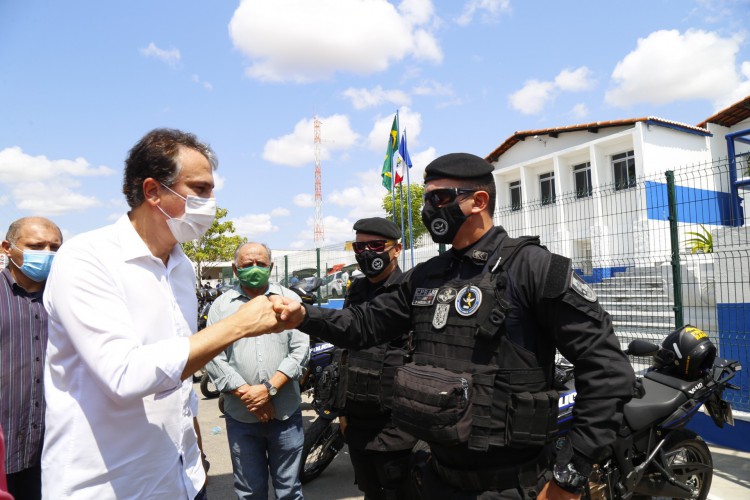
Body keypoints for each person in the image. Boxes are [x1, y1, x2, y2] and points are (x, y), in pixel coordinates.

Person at [272, 153, 637, 499]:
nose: (430, 210)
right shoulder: (428, 275)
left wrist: (571, 475)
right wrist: (303, 316)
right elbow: (364, 325)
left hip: (513, 484)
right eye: (428, 200)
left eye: (441, 198)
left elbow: (607, 373)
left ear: (479, 201)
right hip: (436, 476)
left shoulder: (535, 269)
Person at [42, 128, 283, 499]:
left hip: (181, 477)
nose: (211, 201)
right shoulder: (86, 258)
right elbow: (123, 375)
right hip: (109, 485)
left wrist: (194, 447)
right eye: (200, 189)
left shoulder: (182, 267)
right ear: (153, 191)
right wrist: (237, 325)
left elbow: (179, 378)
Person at [204, 242, 309, 500]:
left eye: (260, 264)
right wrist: (248, 395)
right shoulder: (221, 306)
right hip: (241, 416)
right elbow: (213, 354)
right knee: (249, 492)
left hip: (285, 414)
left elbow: (301, 349)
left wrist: (268, 389)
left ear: (271, 267)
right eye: (247, 264)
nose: (254, 269)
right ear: (235, 268)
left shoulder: (289, 300)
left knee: (289, 491)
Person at [338, 217, 417, 499]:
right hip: (359, 419)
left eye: (375, 245)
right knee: (370, 490)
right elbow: (345, 350)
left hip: (398, 423)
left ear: (396, 249)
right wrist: (343, 413)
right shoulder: (357, 289)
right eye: (359, 247)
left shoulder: (411, 289)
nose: (366, 253)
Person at [0, 217, 62, 500]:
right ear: (7, 248)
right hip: (5, 446)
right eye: (36, 246)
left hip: (55, 451)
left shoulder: (68, 298)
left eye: (55, 247)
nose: (47, 254)